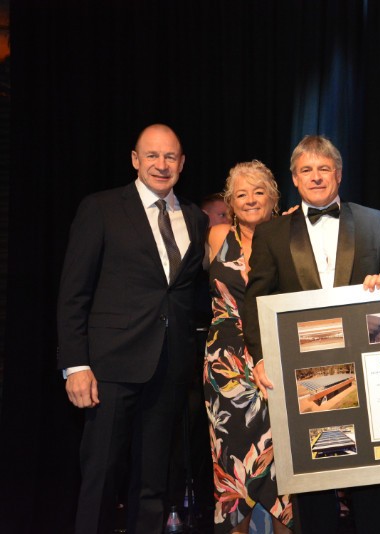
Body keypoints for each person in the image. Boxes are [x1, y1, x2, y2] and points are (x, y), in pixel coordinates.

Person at [242, 135, 380, 533]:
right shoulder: (272, 234)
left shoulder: (375, 223)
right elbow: (256, 301)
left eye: (324, 169)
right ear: (295, 179)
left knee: (375, 475)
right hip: (304, 375)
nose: (316, 177)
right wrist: (260, 357)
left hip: (370, 370)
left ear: (339, 174)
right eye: (306, 170)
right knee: (314, 482)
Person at [56, 124, 209, 533]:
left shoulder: (195, 218)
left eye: (170, 156)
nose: (162, 164)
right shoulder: (101, 208)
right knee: (101, 476)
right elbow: (73, 293)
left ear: (182, 163)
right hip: (110, 369)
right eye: (152, 155)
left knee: (153, 483)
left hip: (170, 369)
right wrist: (76, 364)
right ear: (135, 160)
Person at [204, 160, 292, 533]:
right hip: (225, 367)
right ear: (231, 202)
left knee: (283, 462)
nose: (251, 200)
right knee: (233, 459)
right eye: (241, 194)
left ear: (274, 198)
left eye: (259, 192)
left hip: (276, 356)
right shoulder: (217, 236)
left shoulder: (291, 234)